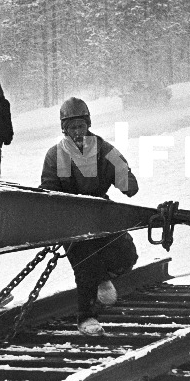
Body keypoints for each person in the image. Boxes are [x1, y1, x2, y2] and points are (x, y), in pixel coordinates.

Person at [40, 97, 139, 336]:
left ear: (88, 125)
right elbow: (48, 192)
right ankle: (86, 317)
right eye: (72, 128)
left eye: (80, 127)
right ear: (64, 129)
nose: (77, 133)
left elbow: (130, 187)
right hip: (71, 221)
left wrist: (122, 175)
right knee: (85, 267)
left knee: (126, 255)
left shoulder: (104, 150)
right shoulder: (56, 155)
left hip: (101, 215)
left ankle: (103, 277)